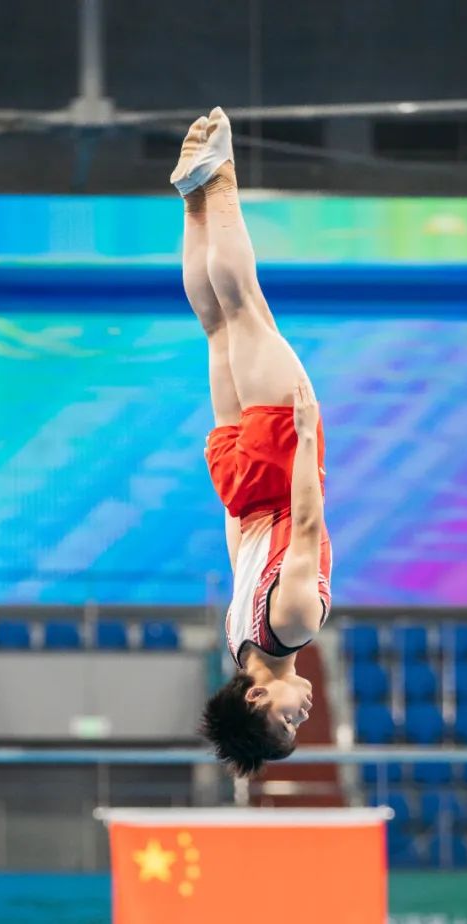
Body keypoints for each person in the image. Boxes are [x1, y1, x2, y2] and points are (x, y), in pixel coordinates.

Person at [173, 108, 332, 777]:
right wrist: (239, 480)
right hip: (238, 488)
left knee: (245, 308)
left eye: (288, 716)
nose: (305, 708)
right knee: (215, 326)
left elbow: (305, 524)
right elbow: (241, 546)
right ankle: (193, 203)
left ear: (256, 695)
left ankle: (224, 176)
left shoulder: (295, 624)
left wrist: (300, 441)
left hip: (275, 469)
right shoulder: (238, 642)